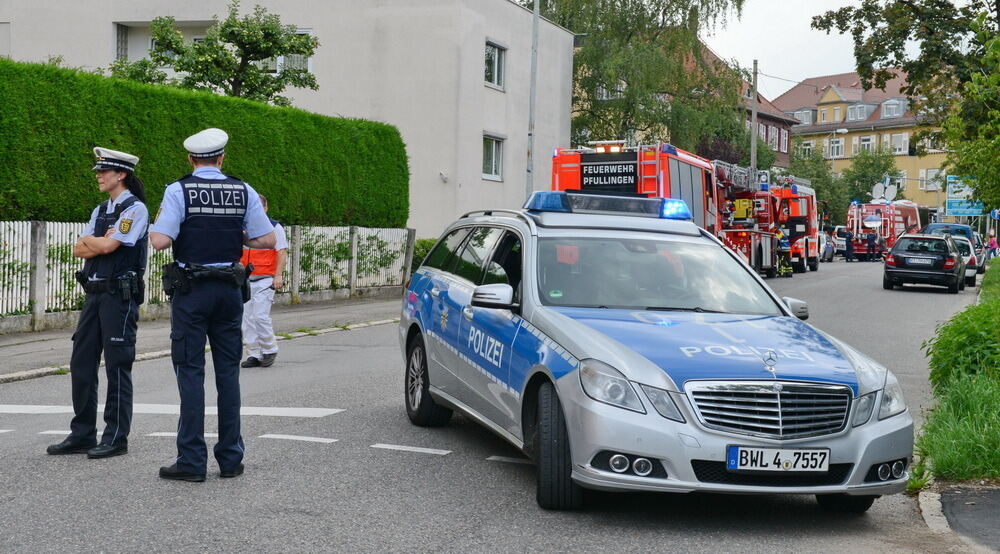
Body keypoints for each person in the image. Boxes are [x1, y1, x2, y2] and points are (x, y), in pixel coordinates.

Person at [149, 128, 275, 482]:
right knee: (228, 374)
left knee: (190, 372)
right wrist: (237, 232)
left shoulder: (179, 190)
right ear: (222, 158)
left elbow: (160, 241)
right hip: (230, 291)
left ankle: (191, 461)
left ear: (191, 159)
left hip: (192, 292)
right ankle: (231, 459)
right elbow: (265, 238)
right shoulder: (243, 190)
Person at [47, 147, 148, 459]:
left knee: (117, 366)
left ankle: (116, 437)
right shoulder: (101, 209)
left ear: (121, 175)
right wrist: (99, 242)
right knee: (81, 363)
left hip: (119, 297)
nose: (99, 176)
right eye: (98, 172)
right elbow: (81, 249)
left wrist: (100, 242)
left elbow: (110, 245)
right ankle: (82, 434)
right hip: (94, 294)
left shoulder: (135, 209)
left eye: (104, 172)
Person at [240, 194, 288, 368]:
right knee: (247, 319)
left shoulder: (274, 228)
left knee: (260, 316)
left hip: (266, 279)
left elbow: (281, 252)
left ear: (266, 208)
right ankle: (254, 354)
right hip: (246, 279)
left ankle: (269, 349)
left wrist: (278, 276)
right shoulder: (243, 228)